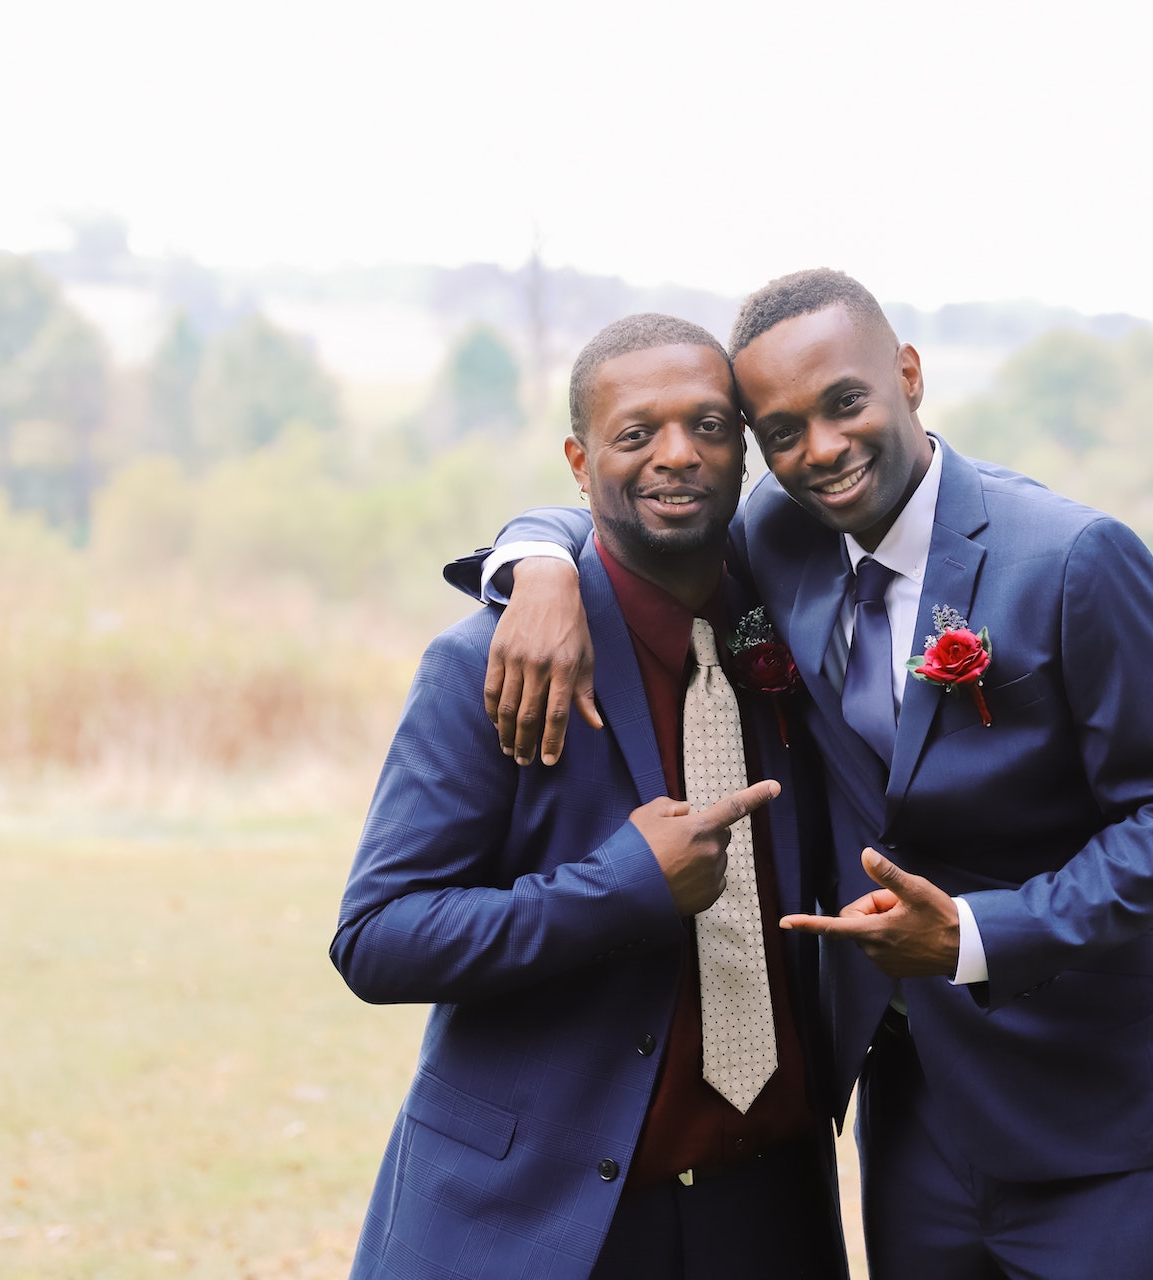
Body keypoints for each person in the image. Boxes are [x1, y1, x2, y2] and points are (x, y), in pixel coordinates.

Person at [457, 269, 1153, 1279]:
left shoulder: (1073, 557)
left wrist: (977, 933)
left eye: (844, 403)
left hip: (1106, 1116)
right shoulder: (780, 540)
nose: (820, 449)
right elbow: (638, 511)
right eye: (781, 430)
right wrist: (538, 565)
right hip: (915, 1118)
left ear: (908, 375)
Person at [331, 314, 850, 1280]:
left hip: (772, 1208)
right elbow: (376, 938)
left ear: (742, 449)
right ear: (580, 461)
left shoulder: (792, 619)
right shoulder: (489, 665)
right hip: (548, 1220)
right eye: (636, 433)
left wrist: (1139, 881)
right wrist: (619, 889)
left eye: (707, 425)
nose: (677, 455)